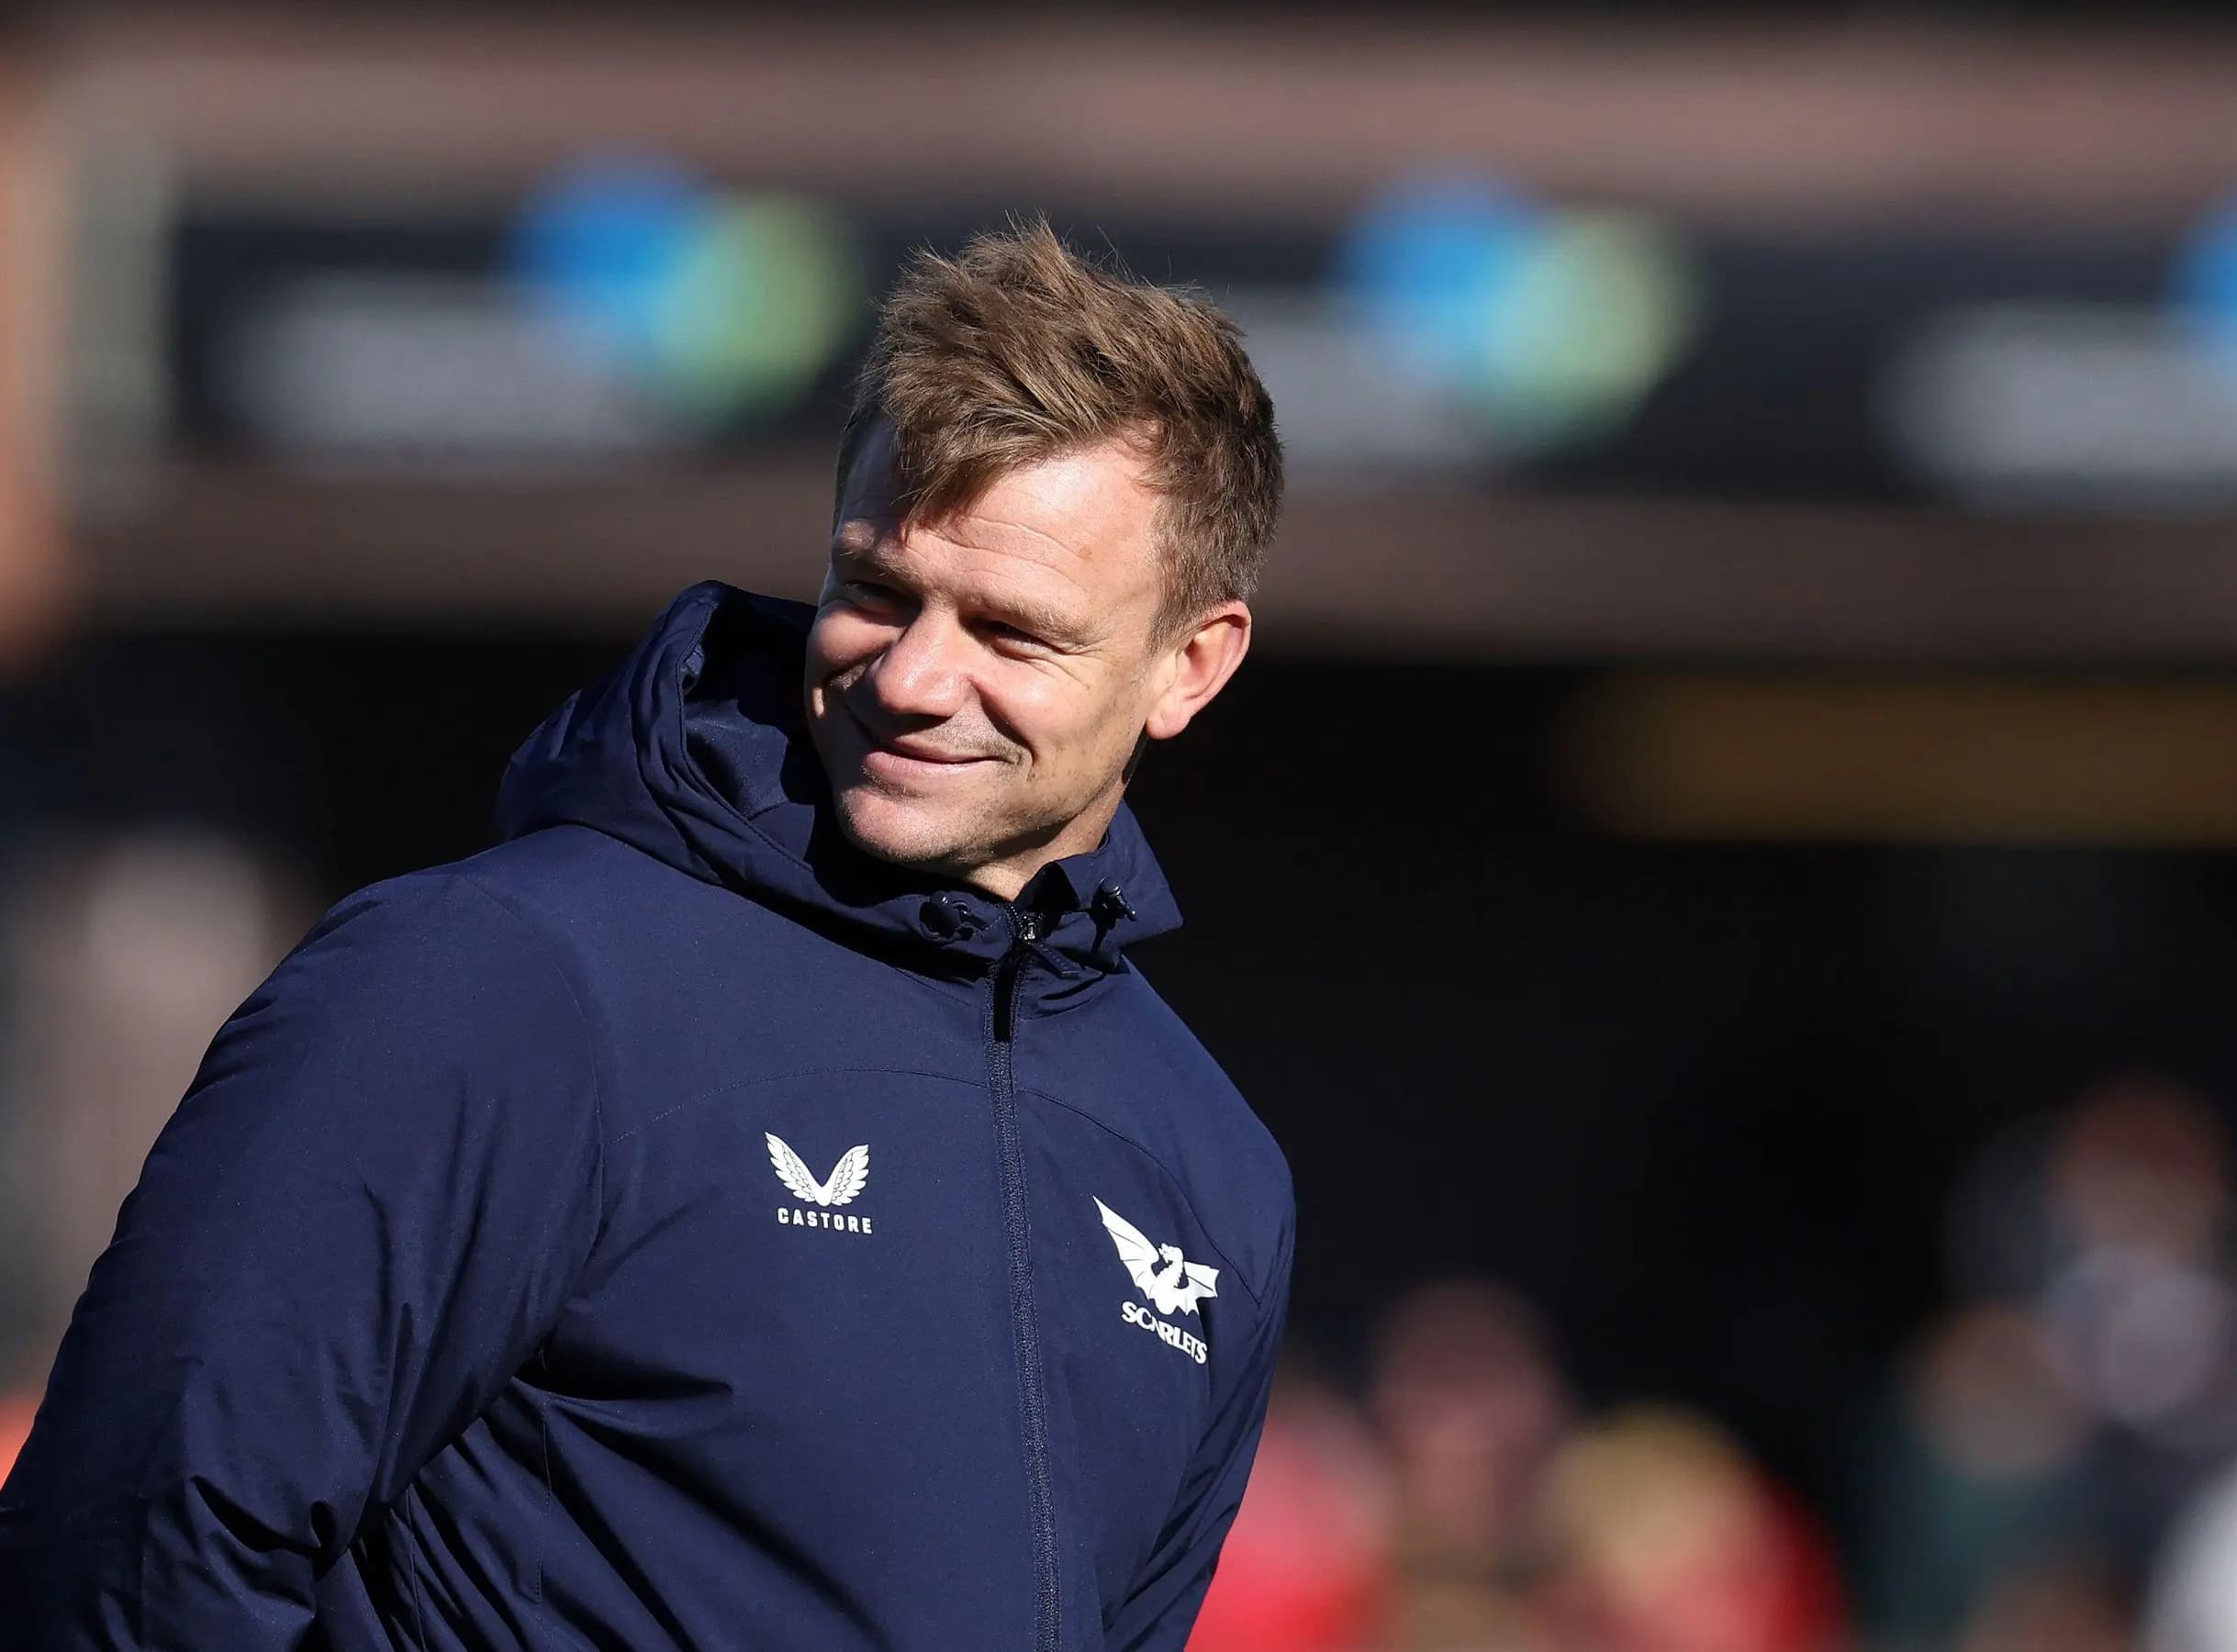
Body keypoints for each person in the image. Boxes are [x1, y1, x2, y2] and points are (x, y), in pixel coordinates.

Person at [0, 221, 1294, 1650]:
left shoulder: (1205, 1169)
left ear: (1193, 663)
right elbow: (133, 1547)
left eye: (1013, 631)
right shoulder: (501, 978)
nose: (918, 677)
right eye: (875, 589)